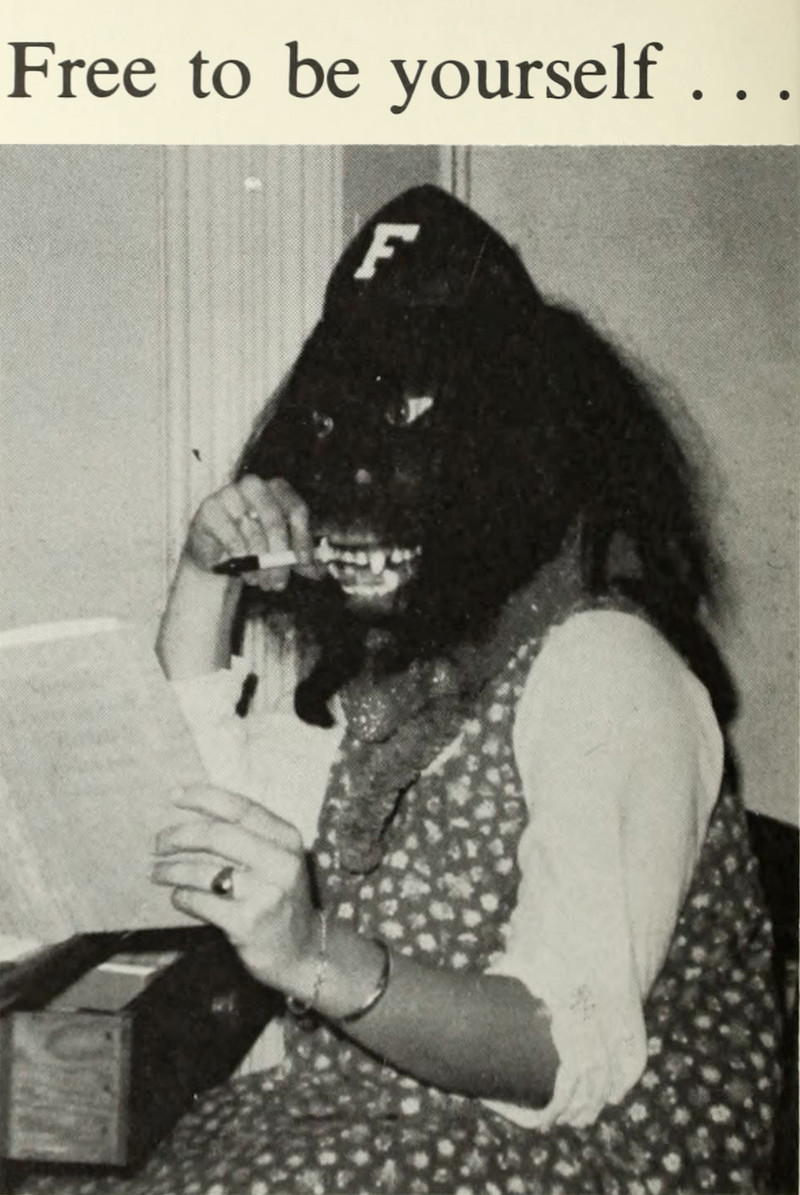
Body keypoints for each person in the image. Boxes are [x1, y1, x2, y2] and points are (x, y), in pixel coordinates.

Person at [33, 186, 783, 1194]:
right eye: (343, 425)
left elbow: (562, 1053)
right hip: (363, 1121)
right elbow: (185, 828)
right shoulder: (399, 673)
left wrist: (311, 953)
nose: (361, 476)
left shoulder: (606, 666)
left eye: (416, 434)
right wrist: (208, 578)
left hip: (564, 1153)